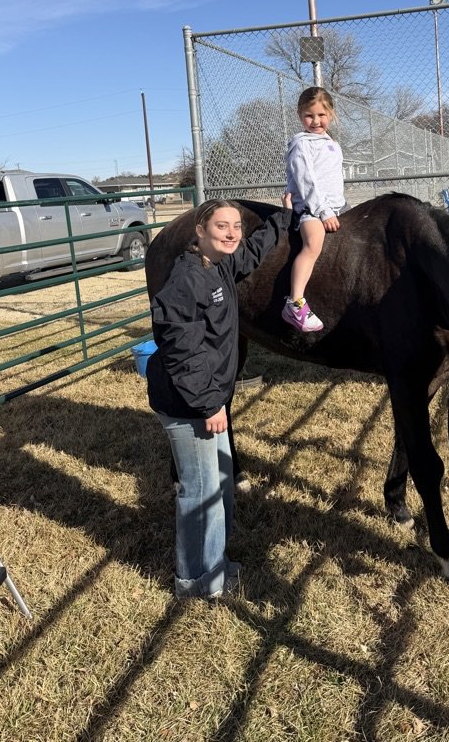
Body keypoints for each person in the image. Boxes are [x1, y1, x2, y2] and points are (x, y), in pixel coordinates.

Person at [146, 198, 291, 600]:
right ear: (199, 230)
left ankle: (216, 563)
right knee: (200, 490)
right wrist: (210, 404)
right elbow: (181, 350)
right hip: (187, 402)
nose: (231, 233)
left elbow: (253, 253)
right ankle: (196, 581)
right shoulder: (187, 280)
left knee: (221, 483)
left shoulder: (219, 264)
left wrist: (283, 217)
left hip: (207, 397)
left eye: (236, 226)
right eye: (221, 226)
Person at [281, 87, 346, 333]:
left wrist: (336, 206)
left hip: (336, 206)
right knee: (313, 244)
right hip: (311, 208)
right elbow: (305, 179)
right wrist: (322, 211)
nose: (316, 121)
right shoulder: (301, 143)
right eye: (309, 115)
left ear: (331, 114)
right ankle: (295, 303)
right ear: (300, 115)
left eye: (322, 114)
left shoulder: (332, 143)